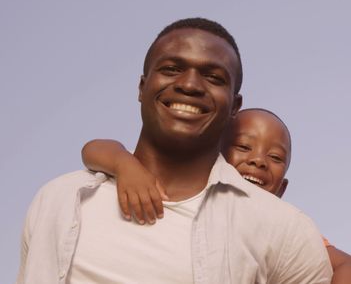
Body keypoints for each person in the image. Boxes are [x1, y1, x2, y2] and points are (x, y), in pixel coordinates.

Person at [17, 18, 332, 283]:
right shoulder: (59, 199)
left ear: (235, 105)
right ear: (142, 87)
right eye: (171, 69)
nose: (190, 85)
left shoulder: (285, 230)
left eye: (213, 77)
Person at [81, 108, 351, 284]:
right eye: (243, 147)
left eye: (275, 156)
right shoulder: (168, 187)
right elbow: (94, 148)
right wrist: (124, 163)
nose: (258, 161)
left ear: (282, 189)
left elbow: (349, 265)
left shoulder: (283, 230)